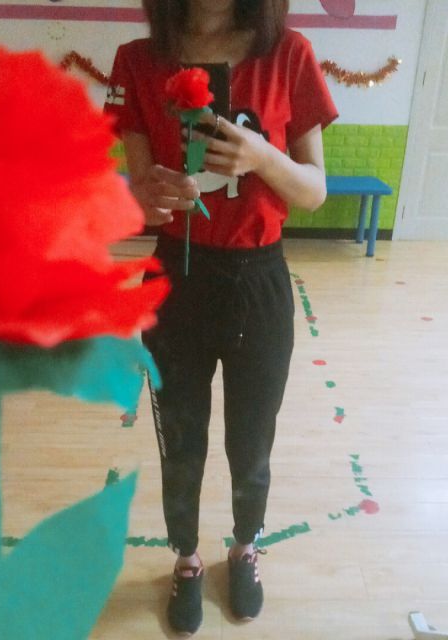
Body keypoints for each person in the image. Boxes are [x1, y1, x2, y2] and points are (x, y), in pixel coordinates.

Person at [105, 0, 337, 634]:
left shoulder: (288, 54)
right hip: (176, 277)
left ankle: (244, 547)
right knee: (180, 439)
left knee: (252, 440)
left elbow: (314, 191)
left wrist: (262, 156)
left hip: (260, 278)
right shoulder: (138, 60)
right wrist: (147, 195)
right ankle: (185, 557)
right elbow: (139, 194)